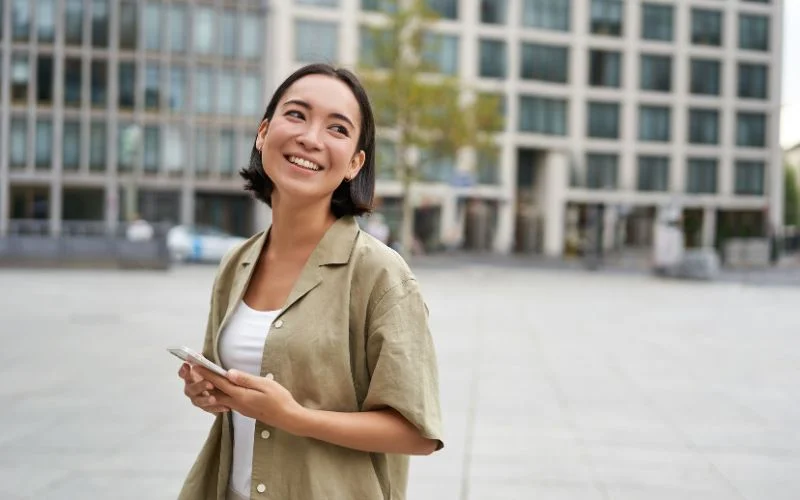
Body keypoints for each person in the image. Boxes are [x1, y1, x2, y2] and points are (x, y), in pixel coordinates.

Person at [177, 63, 443, 500]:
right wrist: (208, 391)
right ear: (263, 133)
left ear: (356, 162)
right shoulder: (236, 263)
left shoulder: (380, 274)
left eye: (337, 128)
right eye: (296, 115)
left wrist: (294, 416)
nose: (310, 138)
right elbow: (229, 390)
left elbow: (418, 433)